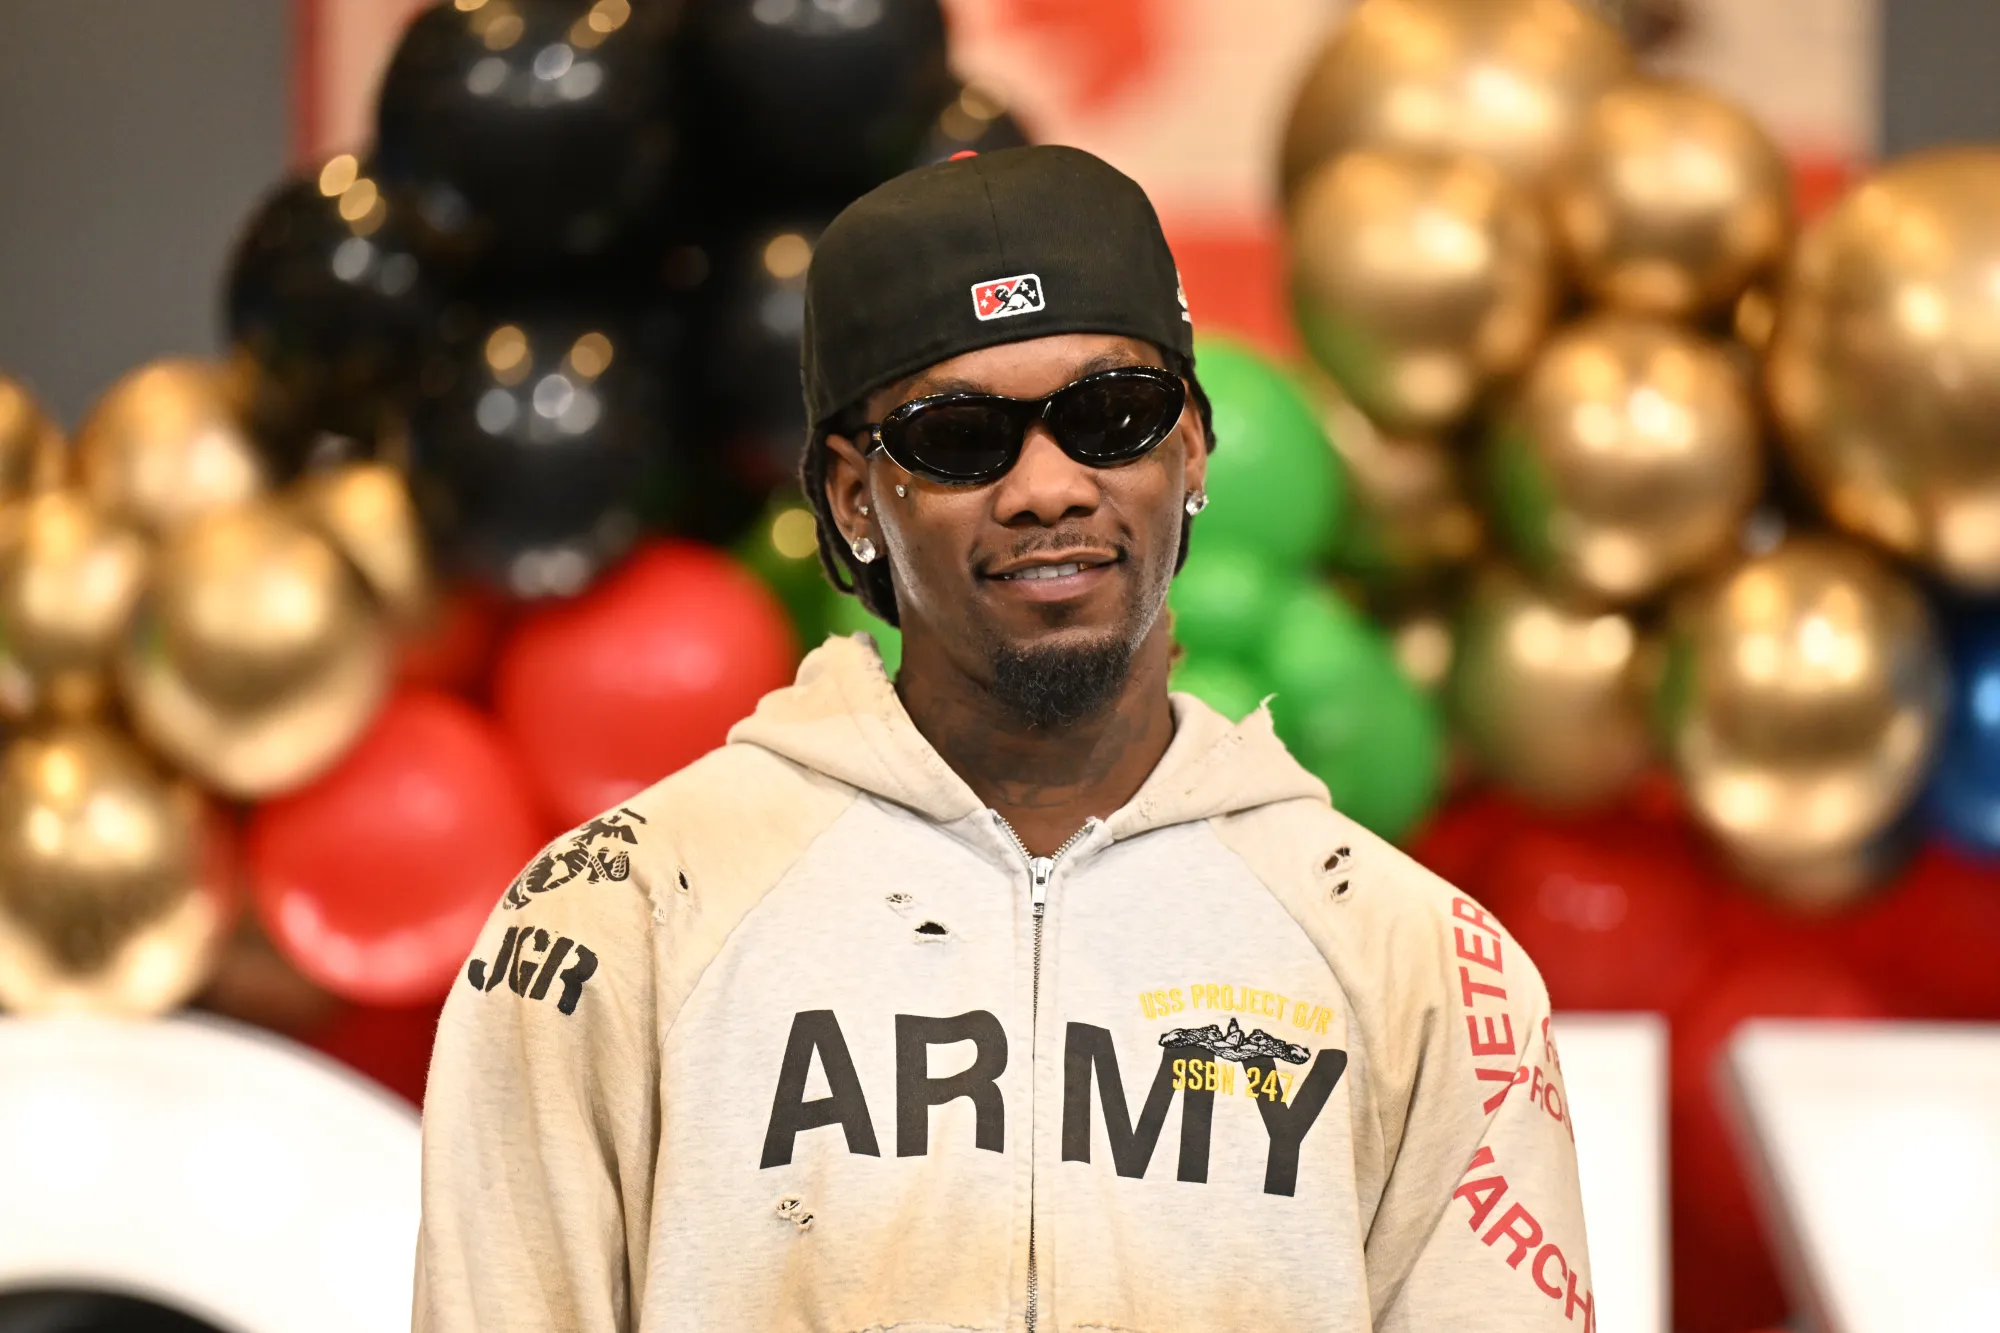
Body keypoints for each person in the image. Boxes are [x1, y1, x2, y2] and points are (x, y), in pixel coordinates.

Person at [415, 145, 1593, 1332]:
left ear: (1190, 447)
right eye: (960, 436)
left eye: (1109, 416)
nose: (1048, 488)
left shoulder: (1415, 961)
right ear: (851, 495)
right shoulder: (620, 916)